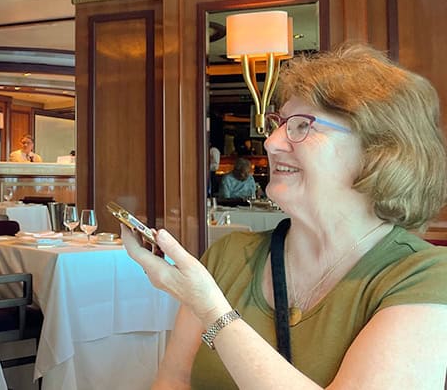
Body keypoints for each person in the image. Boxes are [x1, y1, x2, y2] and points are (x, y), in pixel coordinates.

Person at [123, 43, 447, 389]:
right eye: (279, 124)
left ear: (378, 152)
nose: (271, 142)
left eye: (302, 126)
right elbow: (174, 380)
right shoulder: (229, 257)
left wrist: (213, 311)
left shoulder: (424, 276)